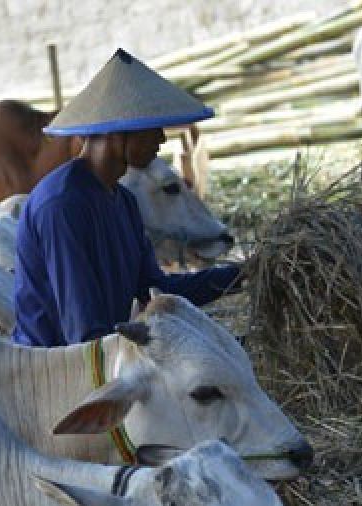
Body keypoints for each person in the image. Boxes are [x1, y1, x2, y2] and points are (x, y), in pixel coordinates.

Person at [13, 48, 241, 347]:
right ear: (117, 133)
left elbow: (156, 288)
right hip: (53, 372)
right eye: (151, 129)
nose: (161, 139)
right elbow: (83, 334)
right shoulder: (62, 205)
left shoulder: (123, 202)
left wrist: (241, 276)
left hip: (101, 355)